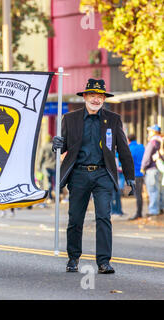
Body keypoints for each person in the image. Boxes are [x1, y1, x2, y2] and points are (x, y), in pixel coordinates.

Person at [52, 78, 134, 274]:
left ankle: (104, 262)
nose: (96, 100)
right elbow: (62, 147)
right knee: (75, 219)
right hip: (78, 174)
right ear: (85, 97)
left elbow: (123, 150)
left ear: (104, 98)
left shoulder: (113, 120)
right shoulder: (69, 119)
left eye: (100, 96)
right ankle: (73, 258)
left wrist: (130, 178)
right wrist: (56, 144)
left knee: (104, 217)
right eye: (92, 96)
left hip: (103, 174)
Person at [140, 125, 163, 217]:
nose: (148, 133)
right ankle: (161, 208)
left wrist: (143, 167)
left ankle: (153, 210)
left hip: (152, 170)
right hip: (160, 169)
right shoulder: (161, 142)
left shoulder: (152, 142)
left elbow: (146, 156)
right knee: (160, 190)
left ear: (154, 132)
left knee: (153, 190)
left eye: (150, 131)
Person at [128, 134, 145, 220]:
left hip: (135, 174)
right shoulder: (141, 147)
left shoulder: (130, 149)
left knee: (137, 195)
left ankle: (138, 213)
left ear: (128, 139)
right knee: (140, 194)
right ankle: (139, 212)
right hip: (142, 173)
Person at [37, 135, 56, 202]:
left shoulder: (44, 147)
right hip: (54, 166)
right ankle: (56, 197)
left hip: (46, 167)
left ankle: (50, 197)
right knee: (56, 182)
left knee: (48, 182)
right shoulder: (54, 146)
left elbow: (40, 158)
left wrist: (38, 167)